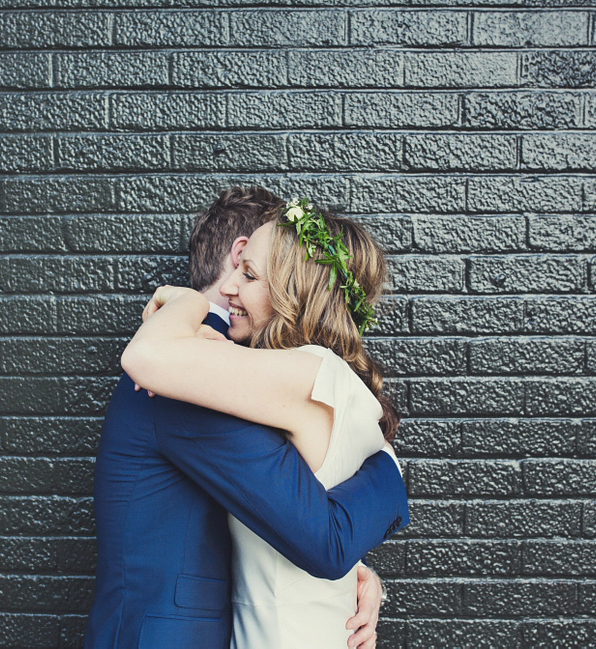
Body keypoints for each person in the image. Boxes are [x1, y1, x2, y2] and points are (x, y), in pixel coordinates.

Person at [83, 187, 408, 649]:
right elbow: (298, 513)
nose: (236, 285)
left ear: (290, 285)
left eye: (252, 273)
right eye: (243, 268)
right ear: (237, 250)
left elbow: (308, 526)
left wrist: (180, 299)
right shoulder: (199, 372)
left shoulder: (286, 372)